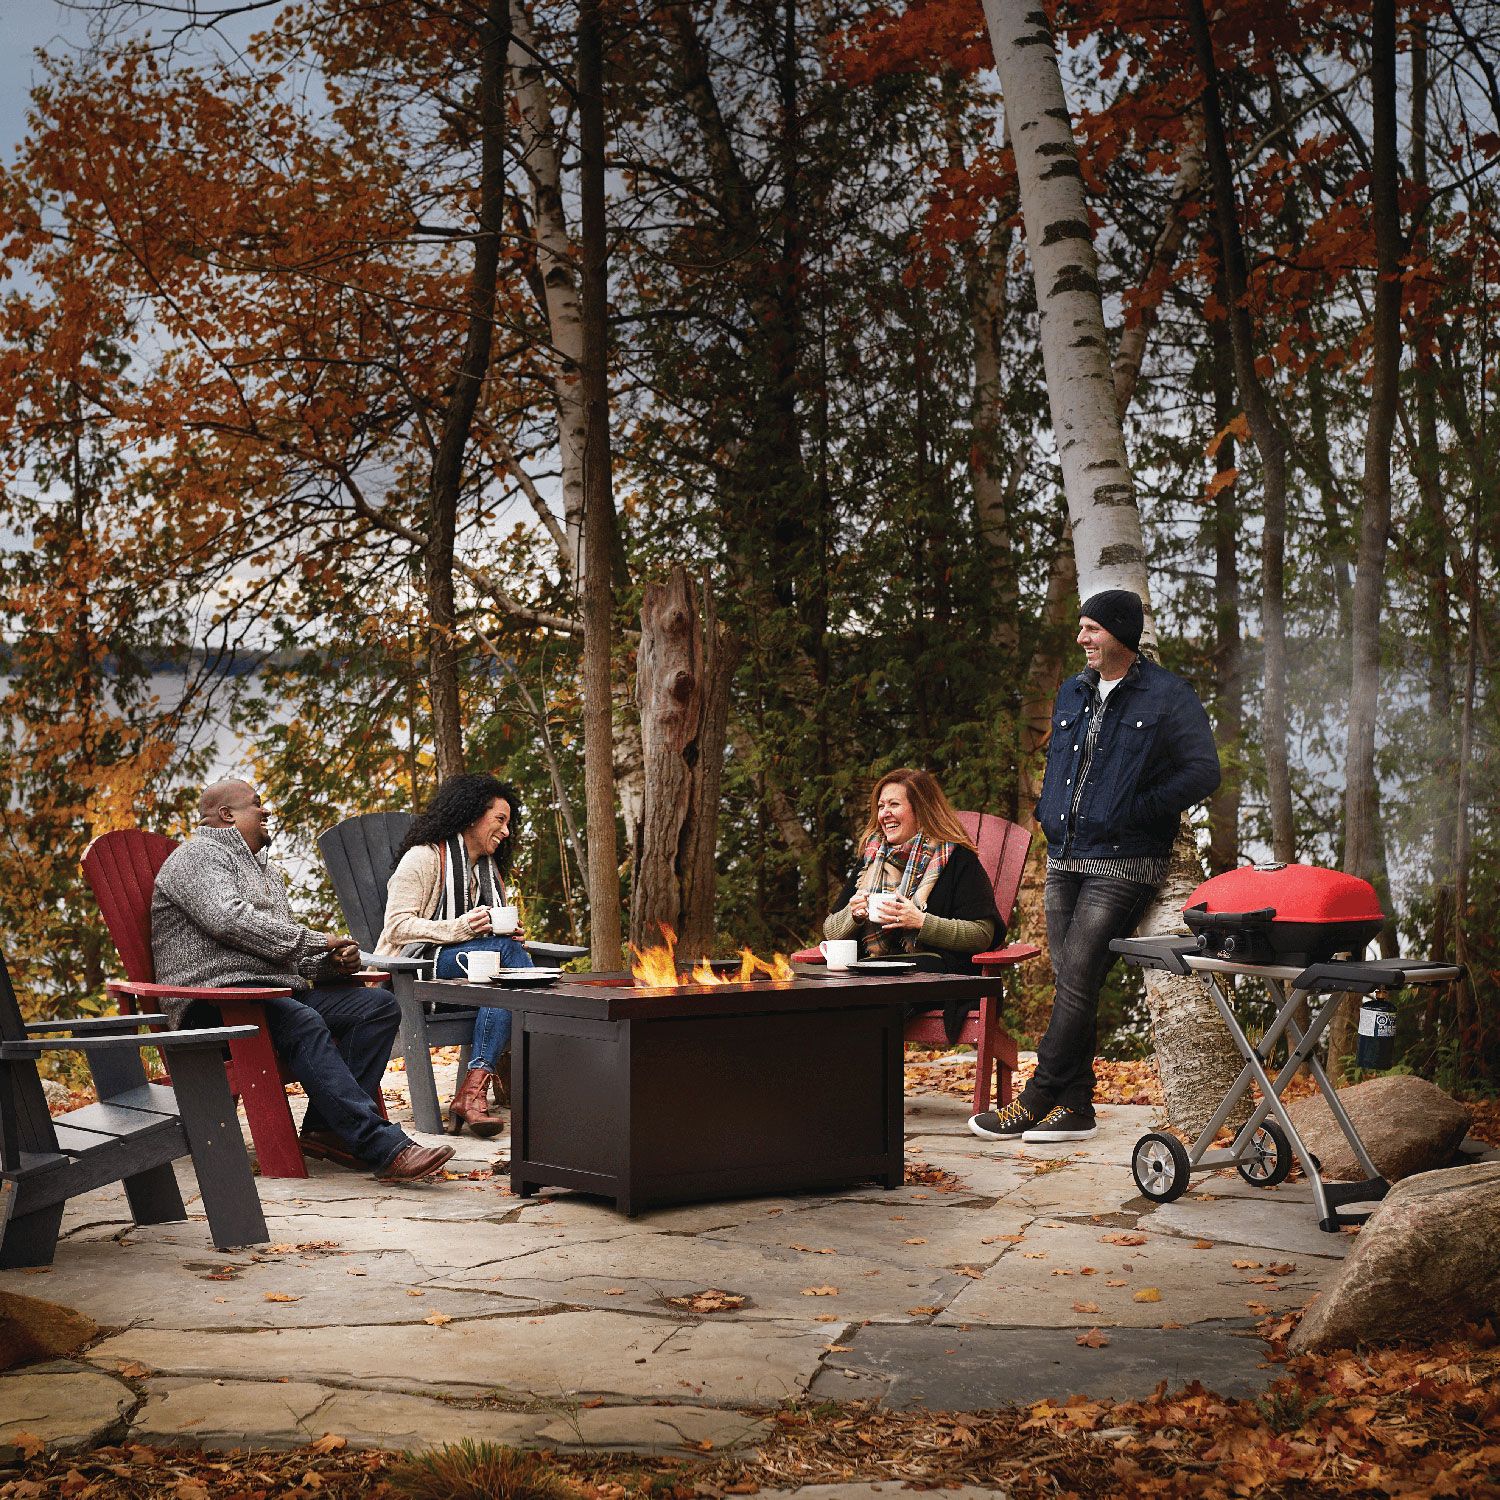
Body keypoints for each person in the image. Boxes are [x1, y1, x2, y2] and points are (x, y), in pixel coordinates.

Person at [969, 588, 1221, 1145]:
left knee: (1079, 978)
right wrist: (1048, 811)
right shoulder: (1073, 690)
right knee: (1071, 982)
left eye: (1092, 629)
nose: (1081, 638)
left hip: (1125, 860)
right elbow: (1060, 761)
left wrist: (1139, 808)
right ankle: (1077, 1106)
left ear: (1121, 635)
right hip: (1065, 854)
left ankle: (1036, 1098)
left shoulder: (1168, 695)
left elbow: (1204, 771)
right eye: (1082, 627)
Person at [151, 779, 454, 1183]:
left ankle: (326, 1131)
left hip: (272, 996)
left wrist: (332, 964)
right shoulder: (197, 857)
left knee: (376, 1007)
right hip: (213, 1005)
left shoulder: (265, 872)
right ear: (227, 815)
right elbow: (229, 920)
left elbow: (283, 951)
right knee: (301, 1020)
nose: (266, 811)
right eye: (257, 804)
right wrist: (317, 941)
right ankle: (382, 1146)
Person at [376, 773, 531, 1137]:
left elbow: (486, 938)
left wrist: (509, 933)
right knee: (509, 962)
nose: (506, 831)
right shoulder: (423, 858)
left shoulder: (486, 872)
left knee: (505, 979)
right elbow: (396, 927)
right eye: (500, 820)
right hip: (414, 972)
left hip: (466, 975)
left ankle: (471, 1093)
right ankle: (534, 1072)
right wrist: (462, 928)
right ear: (473, 815)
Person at [824, 769, 1004, 1034]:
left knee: (873, 998)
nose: (884, 813)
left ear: (921, 810)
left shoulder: (956, 859)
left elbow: (982, 934)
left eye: (894, 804)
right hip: (873, 976)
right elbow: (830, 931)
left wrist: (921, 922)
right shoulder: (872, 860)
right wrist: (853, 915)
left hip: (937, 975)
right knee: (829, 994)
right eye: (881, 806)